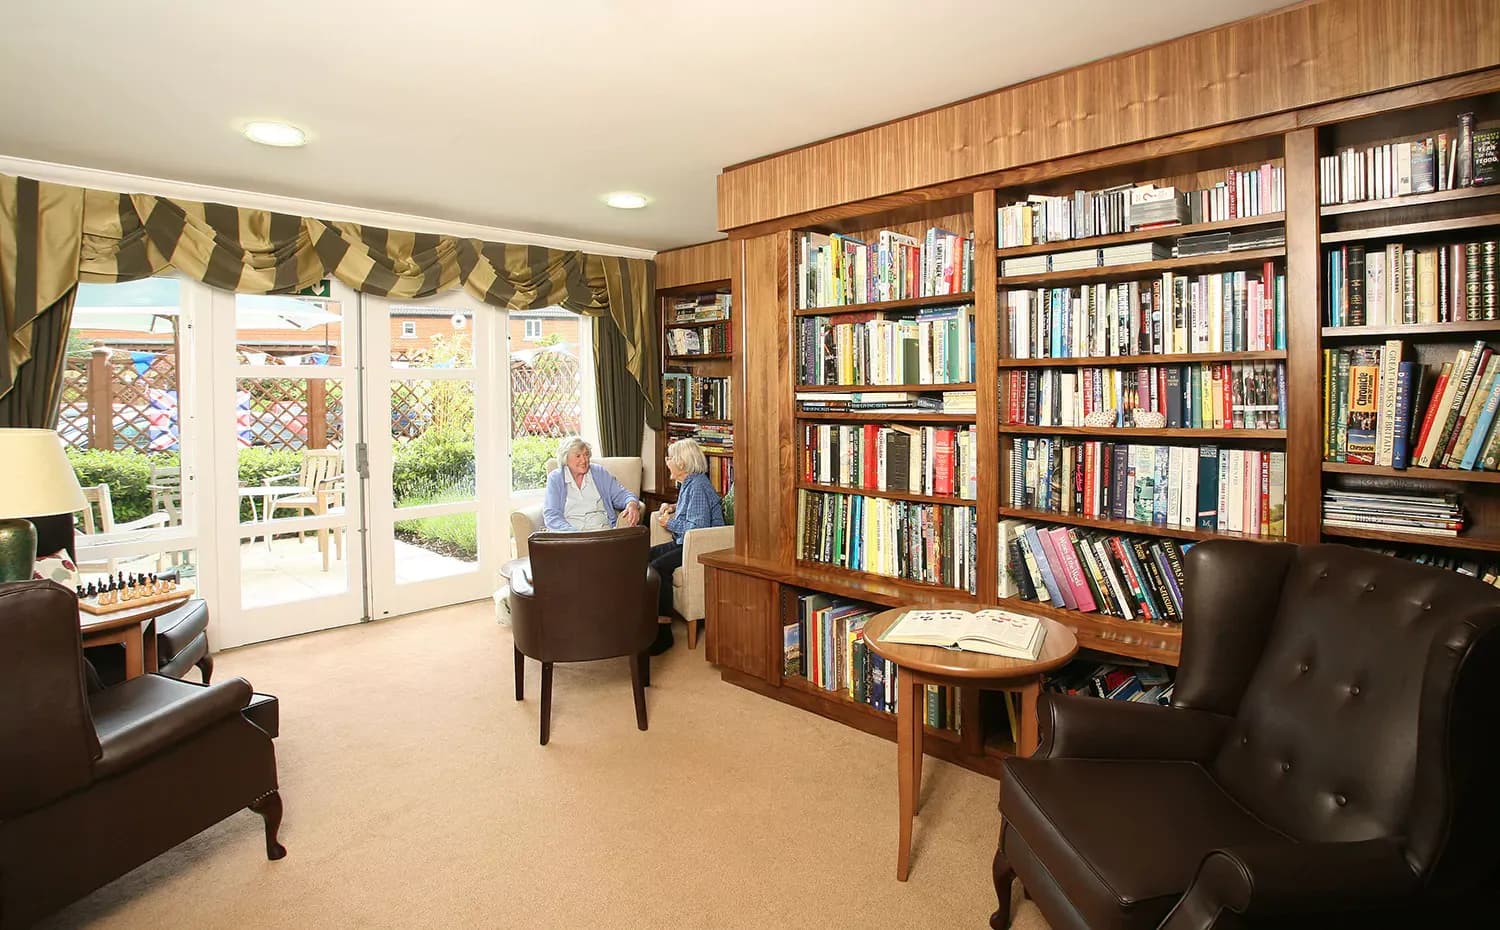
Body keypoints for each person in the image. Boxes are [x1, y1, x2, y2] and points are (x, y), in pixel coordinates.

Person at [648, 438, 725, 655]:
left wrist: (668, 522)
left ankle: (663, 634)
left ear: (682, 463)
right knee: (642, 558)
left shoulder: (698, 486)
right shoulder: (689, 483)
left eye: (670, 458)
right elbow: (692, 511)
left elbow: (696, 528)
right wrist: (672, 507)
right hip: (685, 543)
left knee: (657, 568)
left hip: (698, 548)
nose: (667, 462)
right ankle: (645, 621)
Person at [542, 436, 643, 532]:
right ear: (565, 459)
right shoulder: (556, 478)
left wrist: (632, 504)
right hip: (570, 536)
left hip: (601, 532)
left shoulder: (599, 472)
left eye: (586, 454)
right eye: (578, 456)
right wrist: (575, 535)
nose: (584, 460)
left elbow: (622, 494)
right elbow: (551, 515)